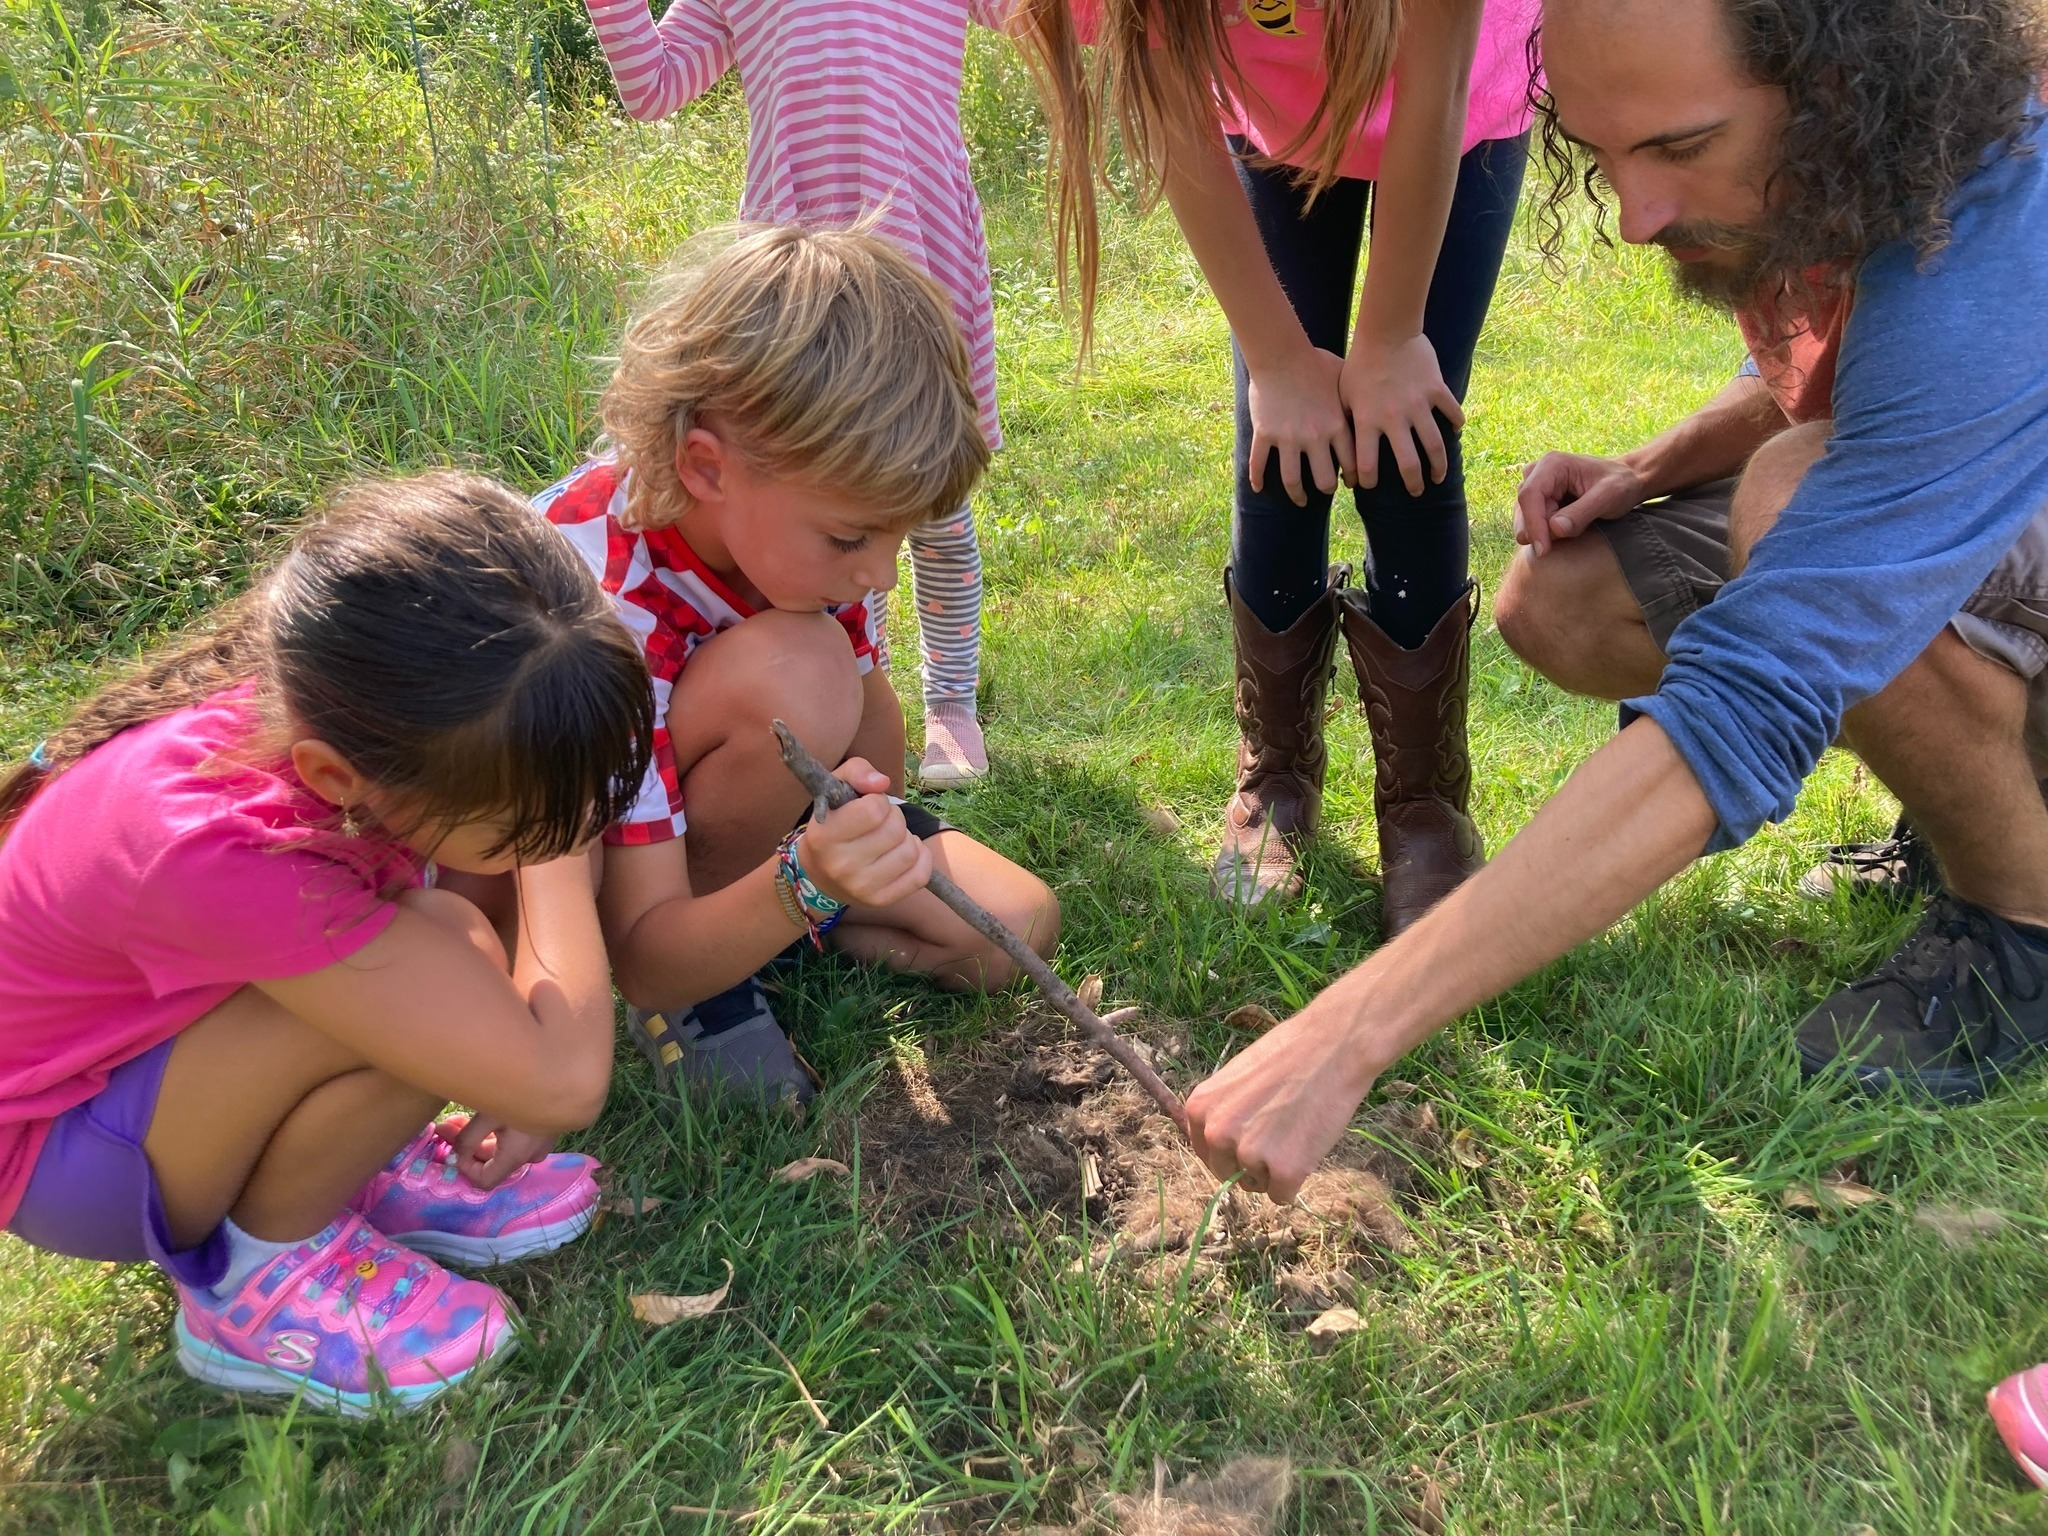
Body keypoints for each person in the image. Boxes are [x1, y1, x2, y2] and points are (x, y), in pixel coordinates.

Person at [1173, 0, 2048, 1482]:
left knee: (1790, 520)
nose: (1635, 214)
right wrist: (1645, 469)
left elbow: (1755, 689)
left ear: (1837, 80)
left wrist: (1354, 1031)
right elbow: (1871, 376)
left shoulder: (2004, 223)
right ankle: (1959, 782)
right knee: (1569, 598)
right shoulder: (1882, 162)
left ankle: (2020, 921)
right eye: (1595, 149)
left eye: (1680, 148)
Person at [0, 474, 655, 1416]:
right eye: (521, 819)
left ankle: (350, 1166)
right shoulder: (222, 847)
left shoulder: (337, 712)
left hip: (129, 1073)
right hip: (64, 1162)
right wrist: (561, 845)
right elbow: (562, 1082)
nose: (553, 826)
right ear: (337, 775)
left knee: (448, 939)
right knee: (456, 962)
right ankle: (254, 1283)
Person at [1014, 0, 1536, 926]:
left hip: (1454, 113)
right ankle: (1277, 777)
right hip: (1272, 121)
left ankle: (1424, 804)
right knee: (1277, 438)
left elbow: (1437, 79)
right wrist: (1277, 360)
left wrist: (1389, 338)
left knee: (1405, 436)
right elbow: (1168, 98)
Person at [537, 224, 1059, 1106]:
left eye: (898, 536)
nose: (881, 574)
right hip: (612, 873)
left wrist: (837, 854)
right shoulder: (598, 606)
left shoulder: (793, 542)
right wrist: (809, 880)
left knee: (1012, 927)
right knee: (798, 671)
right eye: (854, 537)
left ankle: (754, 924)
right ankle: (705, 985)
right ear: (707, 466)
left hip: (755, 836)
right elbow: (637, 941)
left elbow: (877, 754)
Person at [579, 0, 1010, 789]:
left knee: (933, 512)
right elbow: (654, 88)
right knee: (825, 521)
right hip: (794, 311)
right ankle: (844, 697)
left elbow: (1054, 24)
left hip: (922, 268)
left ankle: (950, 705)